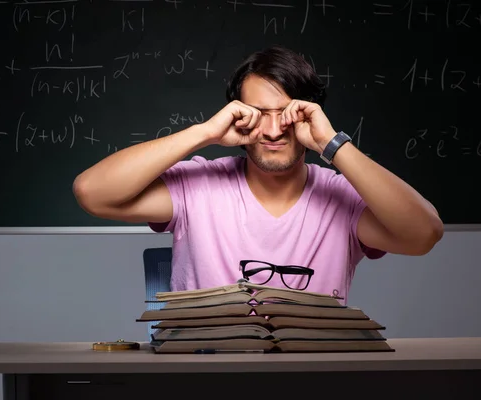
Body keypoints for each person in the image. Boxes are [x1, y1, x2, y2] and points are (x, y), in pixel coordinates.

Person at [72, 45, 443, 303]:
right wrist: (206, 133)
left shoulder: (341, 197)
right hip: (204, 375)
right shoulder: (198, 186)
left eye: (286, 113)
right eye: (258, 113)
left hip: (309, 378)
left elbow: (424, 234)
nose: (272, 130)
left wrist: (331, 143)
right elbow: (92, 192)